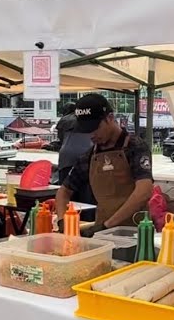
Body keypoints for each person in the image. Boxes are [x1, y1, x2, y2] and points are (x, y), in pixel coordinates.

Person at [56, 94, 152, 235]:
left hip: (136, 231)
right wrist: (62, 221)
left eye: (95, 128)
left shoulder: (135, 147)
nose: (91, 135)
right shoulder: (89, 156)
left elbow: (144, 190)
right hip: (102, 232)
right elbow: (63, 191)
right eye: (86, 130)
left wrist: (108, 225)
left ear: (110, 118)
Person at [55, 104, 94, 203]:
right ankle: (86, 216)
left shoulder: (64, 120)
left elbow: (61, 139)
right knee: (86, 193)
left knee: (66, 192)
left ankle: (67, 214)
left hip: (67, 158)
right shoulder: (89, 119)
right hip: (87, 157)